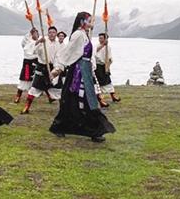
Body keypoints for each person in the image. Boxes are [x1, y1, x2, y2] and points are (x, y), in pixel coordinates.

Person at [49, 12, 116, 141]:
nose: (92, 23)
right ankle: (91, 131)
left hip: (85, 70)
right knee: (79, 100)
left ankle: (91, 130)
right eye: (89, 21)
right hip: (78, 73)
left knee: (84, 100)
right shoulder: (78, 35)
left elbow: (88, 55)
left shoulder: (84, 34)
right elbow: (68, 52)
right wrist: (58, 68)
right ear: (81, 22)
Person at [20, 26, 61, 114]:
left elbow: (59, 57)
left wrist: (57, 69)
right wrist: (38, 42)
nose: (51, 34)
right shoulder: (43, 41)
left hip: (53, 68)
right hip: (42, 67)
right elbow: (30, 49)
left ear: (56, 34)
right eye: (50, 32)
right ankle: (26, 107)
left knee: (58, 90)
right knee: (34, 89)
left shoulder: (58, 45)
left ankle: (63, 110)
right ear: (47, 33)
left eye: (53, 32)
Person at [14, 28, 39, 103]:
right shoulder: (27, 42)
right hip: (28, 63)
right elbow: (24, 43)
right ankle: (18, 96)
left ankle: (31, 97)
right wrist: (30, 33)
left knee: (36, 81)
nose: (35, 35)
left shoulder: (40, 43)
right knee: (24, 81)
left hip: (36, 62)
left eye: (37, 34)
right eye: (34, 33)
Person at [95, 33, 120, 105]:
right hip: (97, 66)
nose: (100, 39)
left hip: (104, 66)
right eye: (99, 38)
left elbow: (110, 59)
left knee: (108, 81)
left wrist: (108, 67)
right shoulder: (97, 46)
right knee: (98, 84)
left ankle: (113, 96)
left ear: (105, 39)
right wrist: (103, 45)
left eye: (101, 38)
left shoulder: (108, 47)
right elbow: (95, 51)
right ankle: (100, 100)